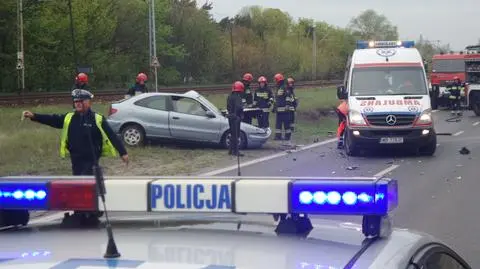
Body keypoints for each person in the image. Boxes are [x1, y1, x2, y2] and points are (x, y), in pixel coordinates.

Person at [22, 89, 129, 223]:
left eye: (81, 101)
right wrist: (34, 116)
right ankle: (82, 211)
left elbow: (112, 136)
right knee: (78, 183)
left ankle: (91, 210)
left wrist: (123, 152)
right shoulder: (69, 118)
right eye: (76, 102)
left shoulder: (97, 119)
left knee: (88, 183)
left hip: (91, 159)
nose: (77, 104)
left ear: (88, 102)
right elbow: (53, 120)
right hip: (76, 158)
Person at [226, 81, 245, 156]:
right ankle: (236, 151)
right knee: (236, 135)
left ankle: (230, 150)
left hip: (230, 117)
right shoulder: (237, 97)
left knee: (232, 133)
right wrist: (240, 113)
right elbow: (238, 107)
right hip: (236, 117)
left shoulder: (229, 96)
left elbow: (228, 107)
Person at [272, 73, 292, 141]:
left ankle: (287, 136)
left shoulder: (285, 87)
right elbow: (276, 99)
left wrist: (287, 105)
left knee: (286, 124)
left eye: (275, 80)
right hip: (279, 110)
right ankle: (278, 136)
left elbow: (288, 97)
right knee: (278, 125)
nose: (275, 81)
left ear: (278, 80)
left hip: (285, 110)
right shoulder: (278, 88)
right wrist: (274, 108)